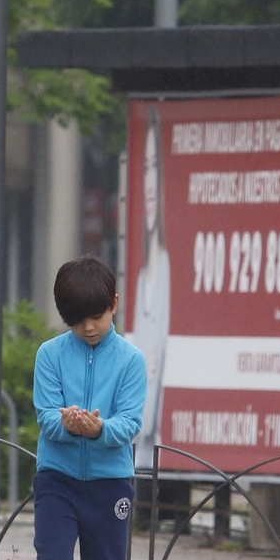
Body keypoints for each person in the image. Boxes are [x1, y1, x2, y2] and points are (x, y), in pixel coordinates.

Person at [31, 256, 147, 560]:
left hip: (110, 482)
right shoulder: (50, 354)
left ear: (114, 304)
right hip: (57, 477)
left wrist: (97, 430)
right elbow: (45, 415)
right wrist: (70, 424)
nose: (89, 328)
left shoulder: (131, 360)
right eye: (77, 321)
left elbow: (130, 423)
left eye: (96, 317)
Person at [131, 107, 169, 470]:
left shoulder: (168, 269)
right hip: (137, 441)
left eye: (156, 168)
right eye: (146, 168)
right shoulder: (143, 276)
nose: (151, 184)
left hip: (151, 438)